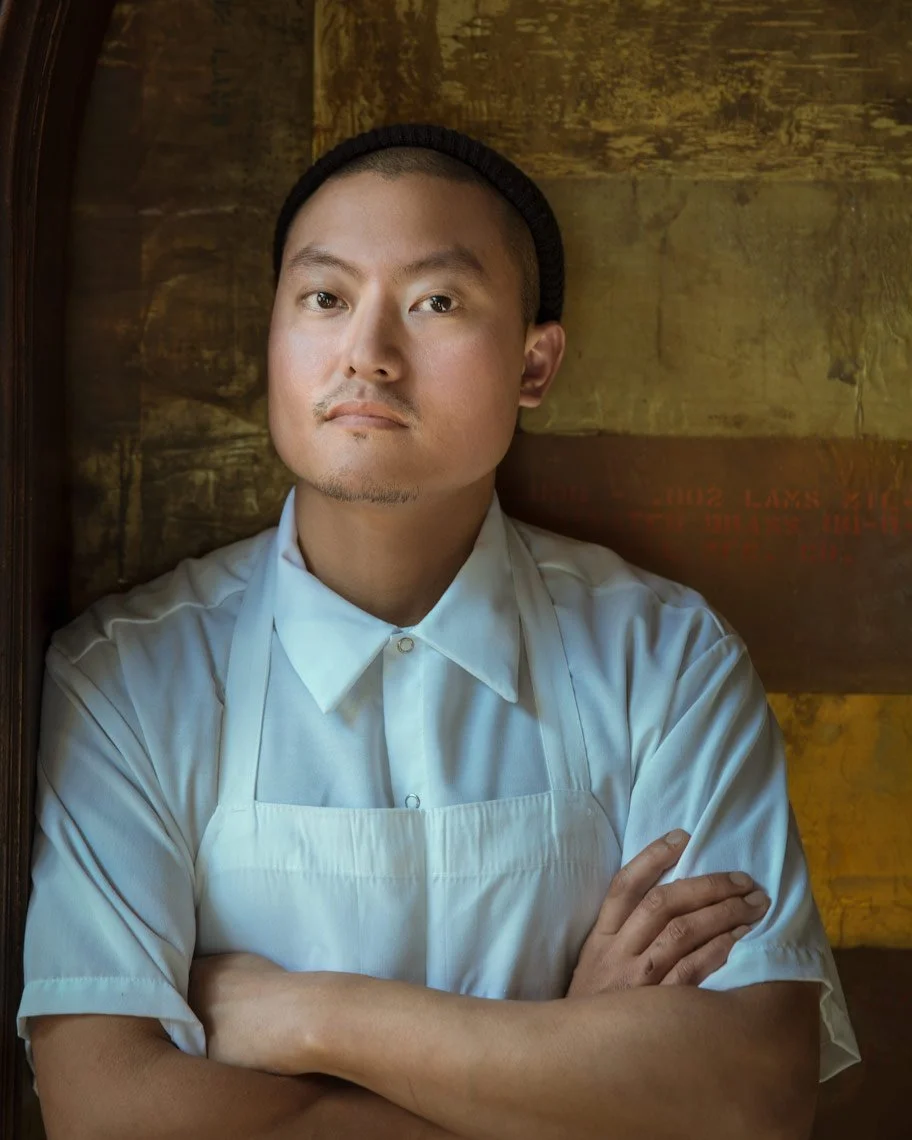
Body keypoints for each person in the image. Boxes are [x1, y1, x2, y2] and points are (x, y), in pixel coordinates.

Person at [19, 124, 858, 1139]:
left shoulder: (665, 660)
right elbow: (109, 1112)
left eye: (435, 303)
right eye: (324, 298)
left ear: (534, 364)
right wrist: (569, 1062)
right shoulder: (127, 679)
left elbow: (749, 1094)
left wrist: (305, 1016)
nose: (365, 356)